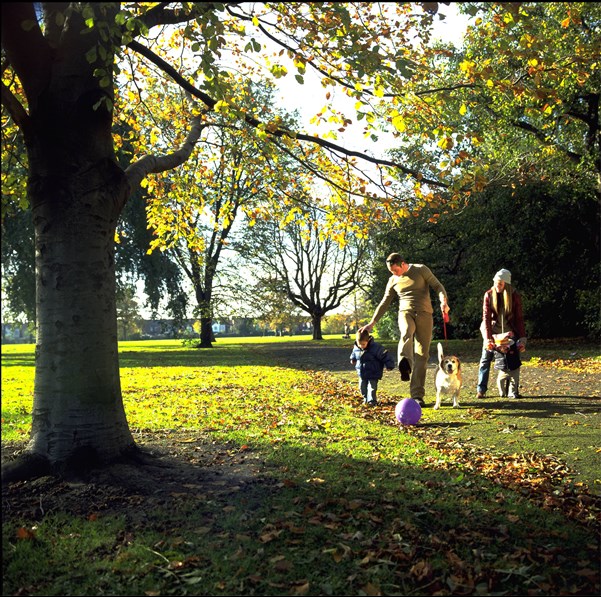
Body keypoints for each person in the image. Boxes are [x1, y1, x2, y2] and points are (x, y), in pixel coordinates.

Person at [359, 253, 449, 406]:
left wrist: (443, 301)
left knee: (422, 354)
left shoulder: (420, 269)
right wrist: (372, 323)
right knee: (406, 332)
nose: (394, 274)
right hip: (405, 312)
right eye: (391, 271)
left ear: (402, 264)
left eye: (395, 270)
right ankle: (404, 363)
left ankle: (417, 396)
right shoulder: (393, 280)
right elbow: (384, 302)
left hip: (425, 314)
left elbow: (438, 286)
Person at [476, 269, 527, 399]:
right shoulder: (488, 295)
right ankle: (481, 389)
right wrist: (488, 339)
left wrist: (522, 338)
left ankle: (511, 391)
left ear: (507, 284)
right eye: (495, 283)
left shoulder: (515, 296)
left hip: (510, 331)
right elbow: (486, 318)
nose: (497, 286)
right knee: (485, 358)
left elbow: (519, 318)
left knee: (513, 359)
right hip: (492, 331)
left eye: (500, 284)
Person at [350, 328, 395, 406]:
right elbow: (354, 353)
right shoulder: (357, 347)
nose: (361, 346)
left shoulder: (376, 348)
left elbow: (385, 356)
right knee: (362, 387)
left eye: (363, 344)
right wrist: (353, 358)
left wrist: (389, 365)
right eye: (359, 344)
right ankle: (365, 399)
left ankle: (372, 401)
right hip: (362, 372)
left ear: (368, 341)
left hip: (373, 371)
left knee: (372, 388)